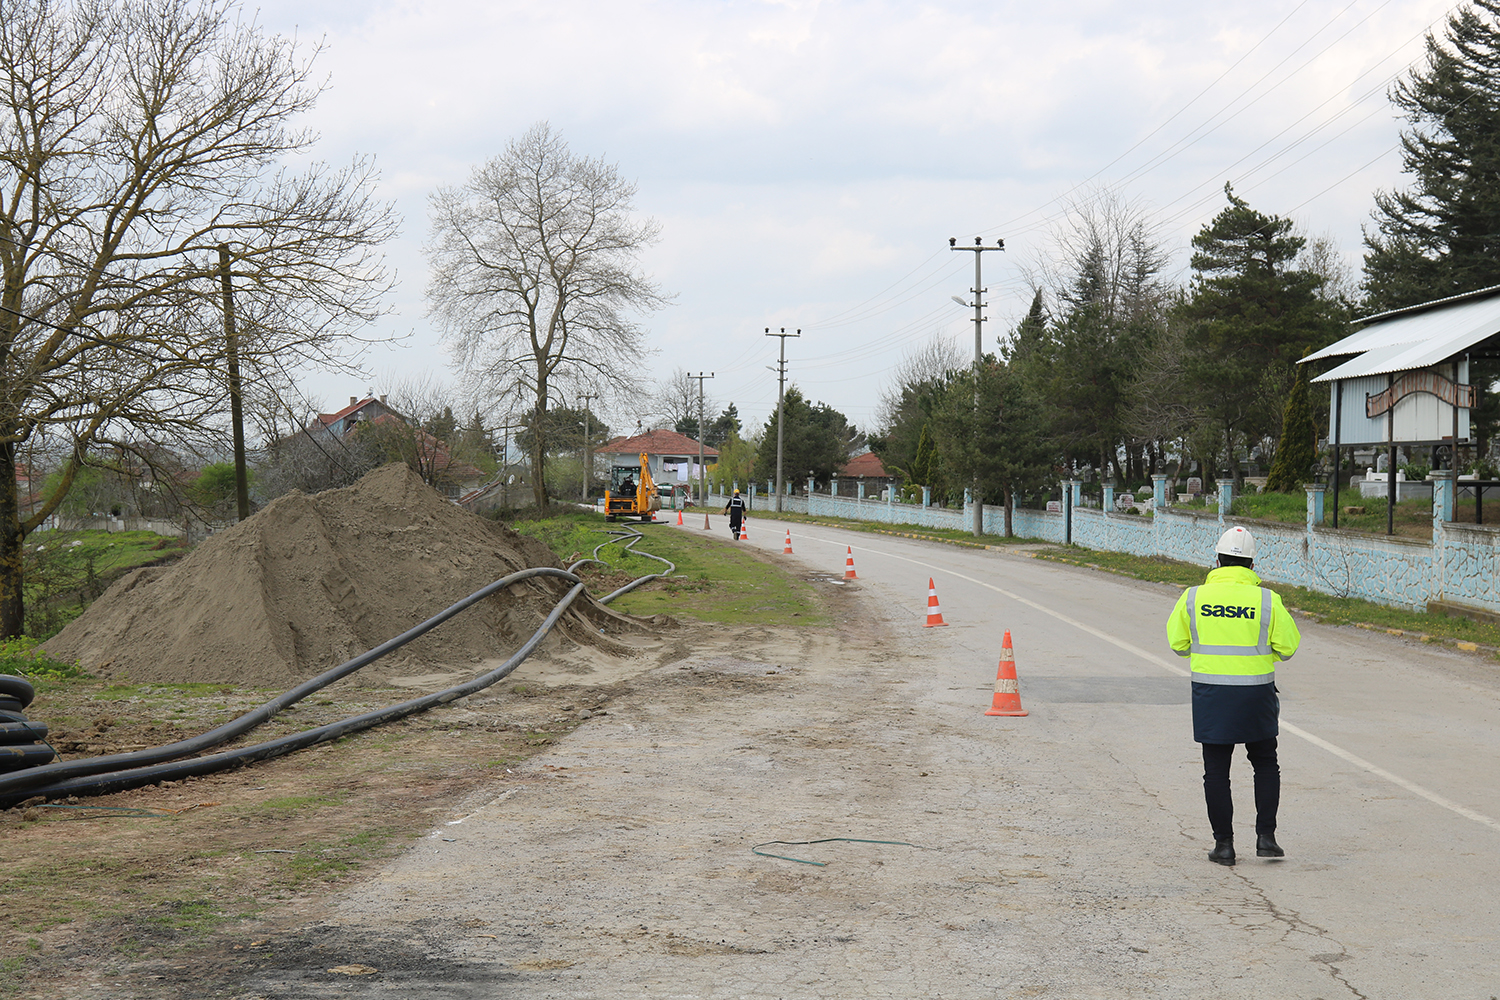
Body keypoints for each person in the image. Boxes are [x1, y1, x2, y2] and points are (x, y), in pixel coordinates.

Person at [1166, 525, 1301, 866]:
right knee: (1266, 764)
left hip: (1212, 696)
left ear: (1217, 561)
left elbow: (1178, 644)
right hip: (1256, 695)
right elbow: (1288, 648)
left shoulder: (1194, 597)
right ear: (1252, 566)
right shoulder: (1268, 600)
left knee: (1216, 771)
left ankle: (1224, 846)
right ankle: (1266, 838)